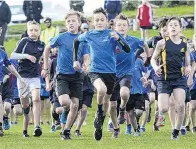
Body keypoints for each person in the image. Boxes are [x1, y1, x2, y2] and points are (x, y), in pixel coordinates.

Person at [76, 8, 130, 141]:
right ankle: (99, 111)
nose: (99, 22)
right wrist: (75, 60)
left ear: (106, 21)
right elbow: (76, 41)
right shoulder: (89, 34)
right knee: (101, 89)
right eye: (97, 20)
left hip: (111, 73)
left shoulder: (112, 34)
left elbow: (127, 49)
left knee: (107, 101)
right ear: (93, 22)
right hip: (95, 70)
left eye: (102, 20)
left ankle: (99, 125)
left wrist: (119, 39)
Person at [42, 11, 83, 140]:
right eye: (68, 21)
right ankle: (64, 111)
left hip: (77, 76)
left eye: (73, 21)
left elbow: (87, 56)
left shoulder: (83, 39)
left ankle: (66, 131)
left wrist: (84, 66)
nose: (71, 23)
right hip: (62, 76)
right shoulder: (61, 37)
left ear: (79, 23)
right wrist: (45, 67)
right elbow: (47, 48)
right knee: (65, 102)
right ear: (66, 24)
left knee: (75, 105)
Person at [150, 16, 190, 140]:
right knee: (163, 107)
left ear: (180, 28)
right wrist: (155, 67)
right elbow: (152, 59)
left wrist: (188, 68)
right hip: (164, 79)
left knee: (181, 106)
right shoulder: (161, 43)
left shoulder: (185, 44)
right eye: (171, 25)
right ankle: (160, 117)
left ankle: (176, 131)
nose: (173, 27)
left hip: (178, 79)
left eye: (175, 25)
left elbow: (188, 62)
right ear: (167, 28)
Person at [10, 21, 46, 138]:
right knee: (25, 105)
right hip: (23, 77)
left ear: (39, 31)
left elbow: (45, 58)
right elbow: (12, 55)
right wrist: (26, 56)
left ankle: (37, 126)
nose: (33, 32)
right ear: (27, 31)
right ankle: (25, 128)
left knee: (36, 99)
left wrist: (45, 68)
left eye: (36, 30)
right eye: (31, 30)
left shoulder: (42, 45)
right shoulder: (24, 41)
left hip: (35, 76)